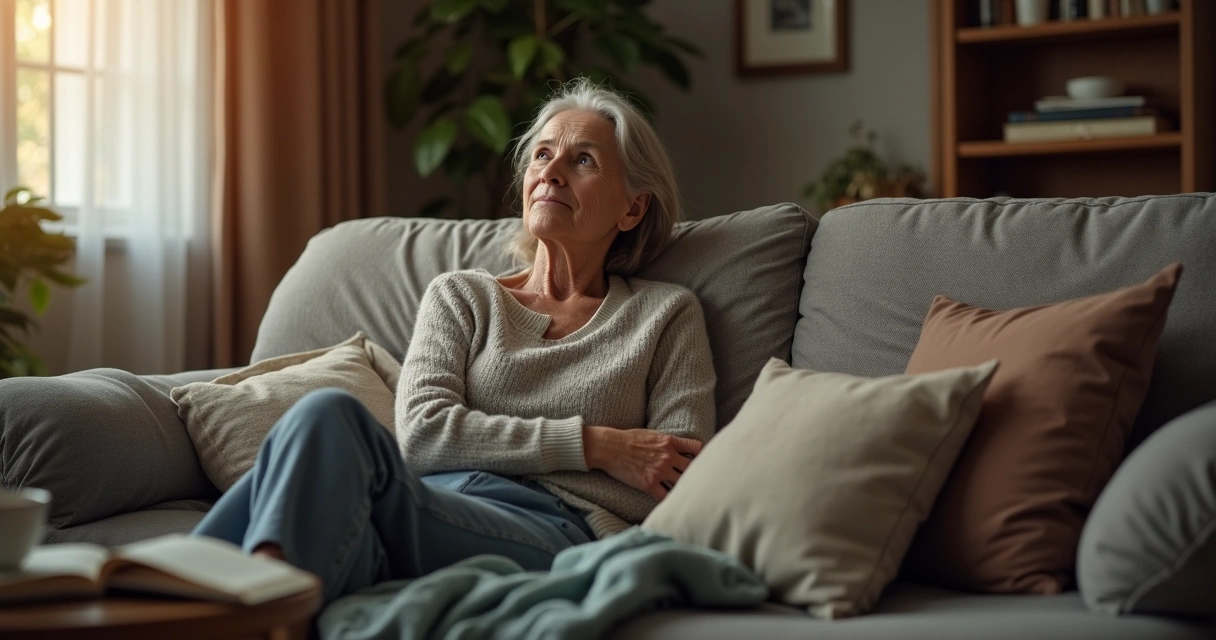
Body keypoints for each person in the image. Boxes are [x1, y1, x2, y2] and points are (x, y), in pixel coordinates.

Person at [191, 78, 717, 604]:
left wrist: (540, 455)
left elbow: (672, 474)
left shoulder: (664, 315)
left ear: (632, 209)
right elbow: (422, 434)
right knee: (319, 416)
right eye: (541, 155)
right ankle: (191, 598)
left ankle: (213, 598)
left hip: (554, 529)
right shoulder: (462, 296)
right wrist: (597, 447)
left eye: (583, 161)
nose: (551, 173)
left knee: (325, 435)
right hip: (426, 501)